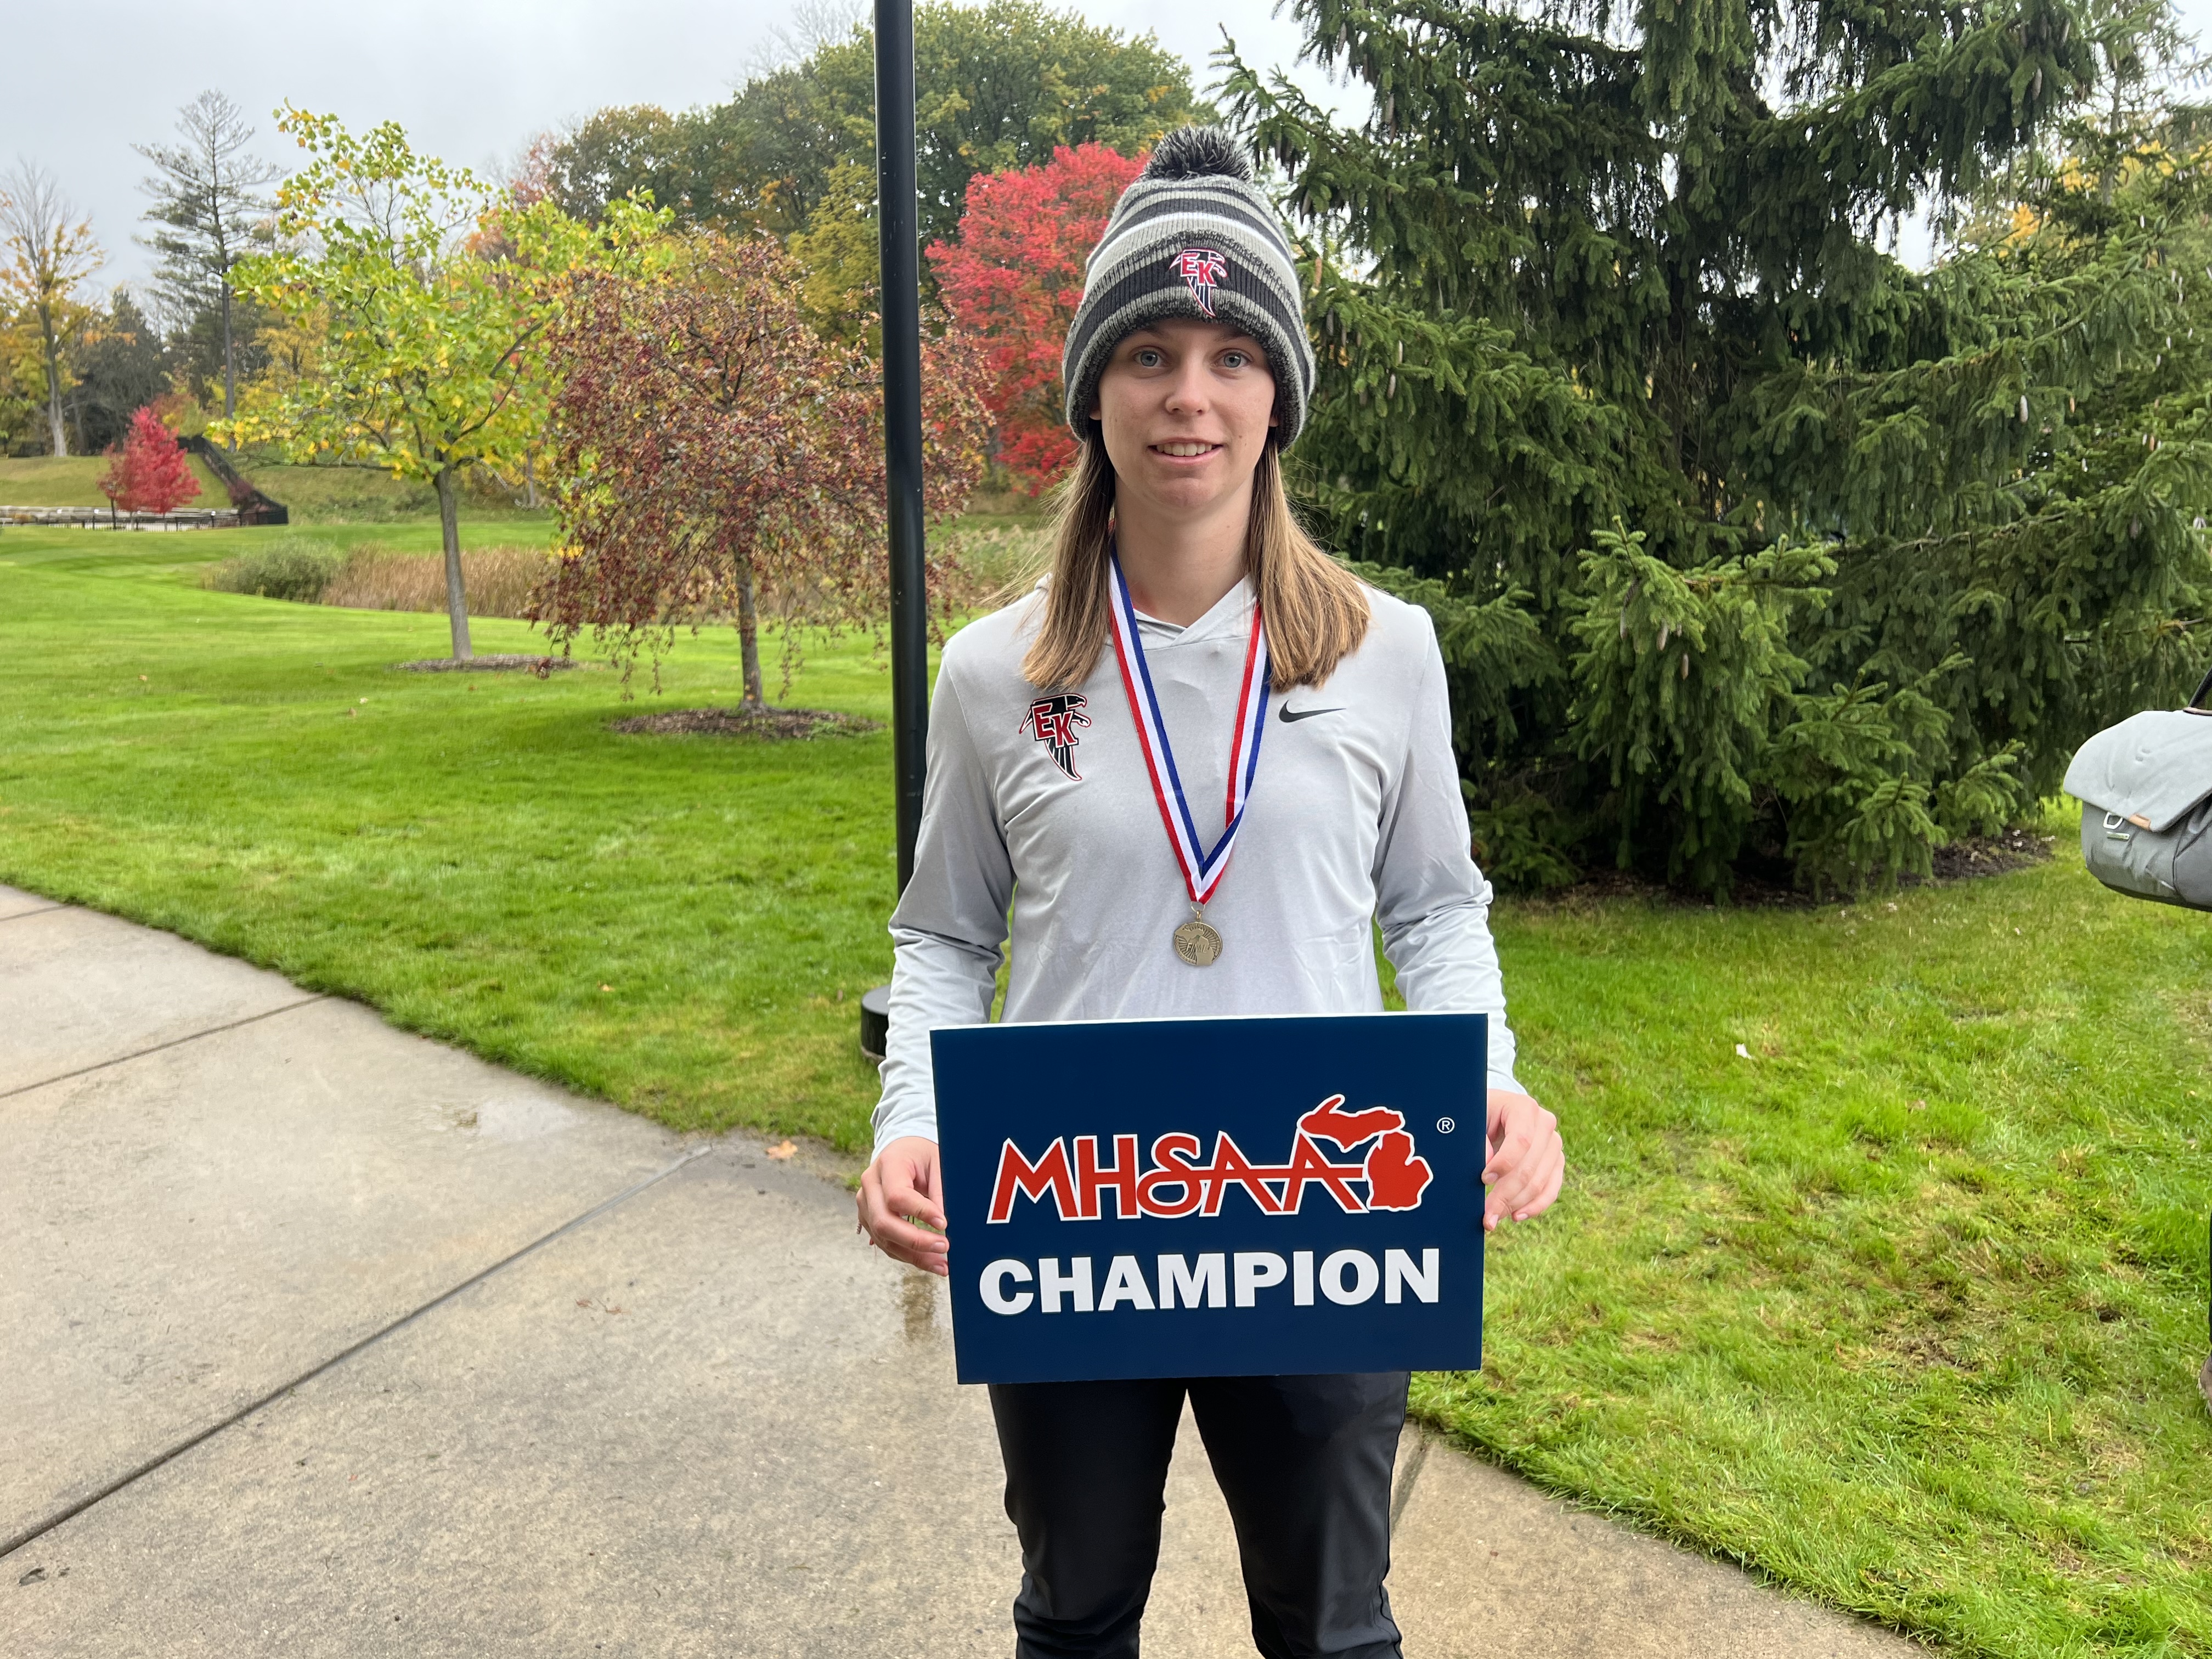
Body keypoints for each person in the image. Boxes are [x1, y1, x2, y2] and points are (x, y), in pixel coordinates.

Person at [856, 125, 1566, 1659]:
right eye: (1153, 353)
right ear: (1095, 390)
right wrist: (911, 1118)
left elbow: (1438, 909)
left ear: (1279, 396)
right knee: (1079, 1609)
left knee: (1329, 1627)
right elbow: (944, 935)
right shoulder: (995, 675)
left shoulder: (1388, 651)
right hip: (1074, 1205)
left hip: (1321, 1210)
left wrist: (1491, 1078)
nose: (1192, 395)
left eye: (1235, 354)